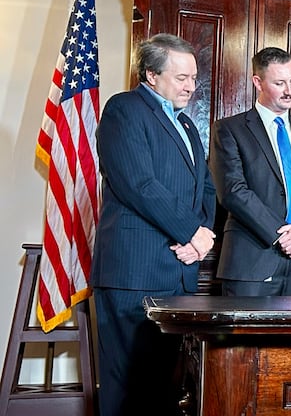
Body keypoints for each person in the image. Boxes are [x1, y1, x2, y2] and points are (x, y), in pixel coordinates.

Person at [92, 33, 217, 416]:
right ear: (151, 74)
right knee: (128, 388)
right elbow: (138, 184)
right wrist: (190, 232)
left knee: (166, 385)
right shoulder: (124, 109)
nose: (190, 86)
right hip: (134, 271)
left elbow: (206, 188)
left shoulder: (188, 125)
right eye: (181, 77)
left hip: (179, 272)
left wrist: (203, 238)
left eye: (194, 78)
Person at [210, 47, 291, 296]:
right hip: (252, 261)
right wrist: (282, 236)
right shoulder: (230, 129)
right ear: (258, 82)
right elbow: (233, 191)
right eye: (280, 83)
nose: (290, 91)